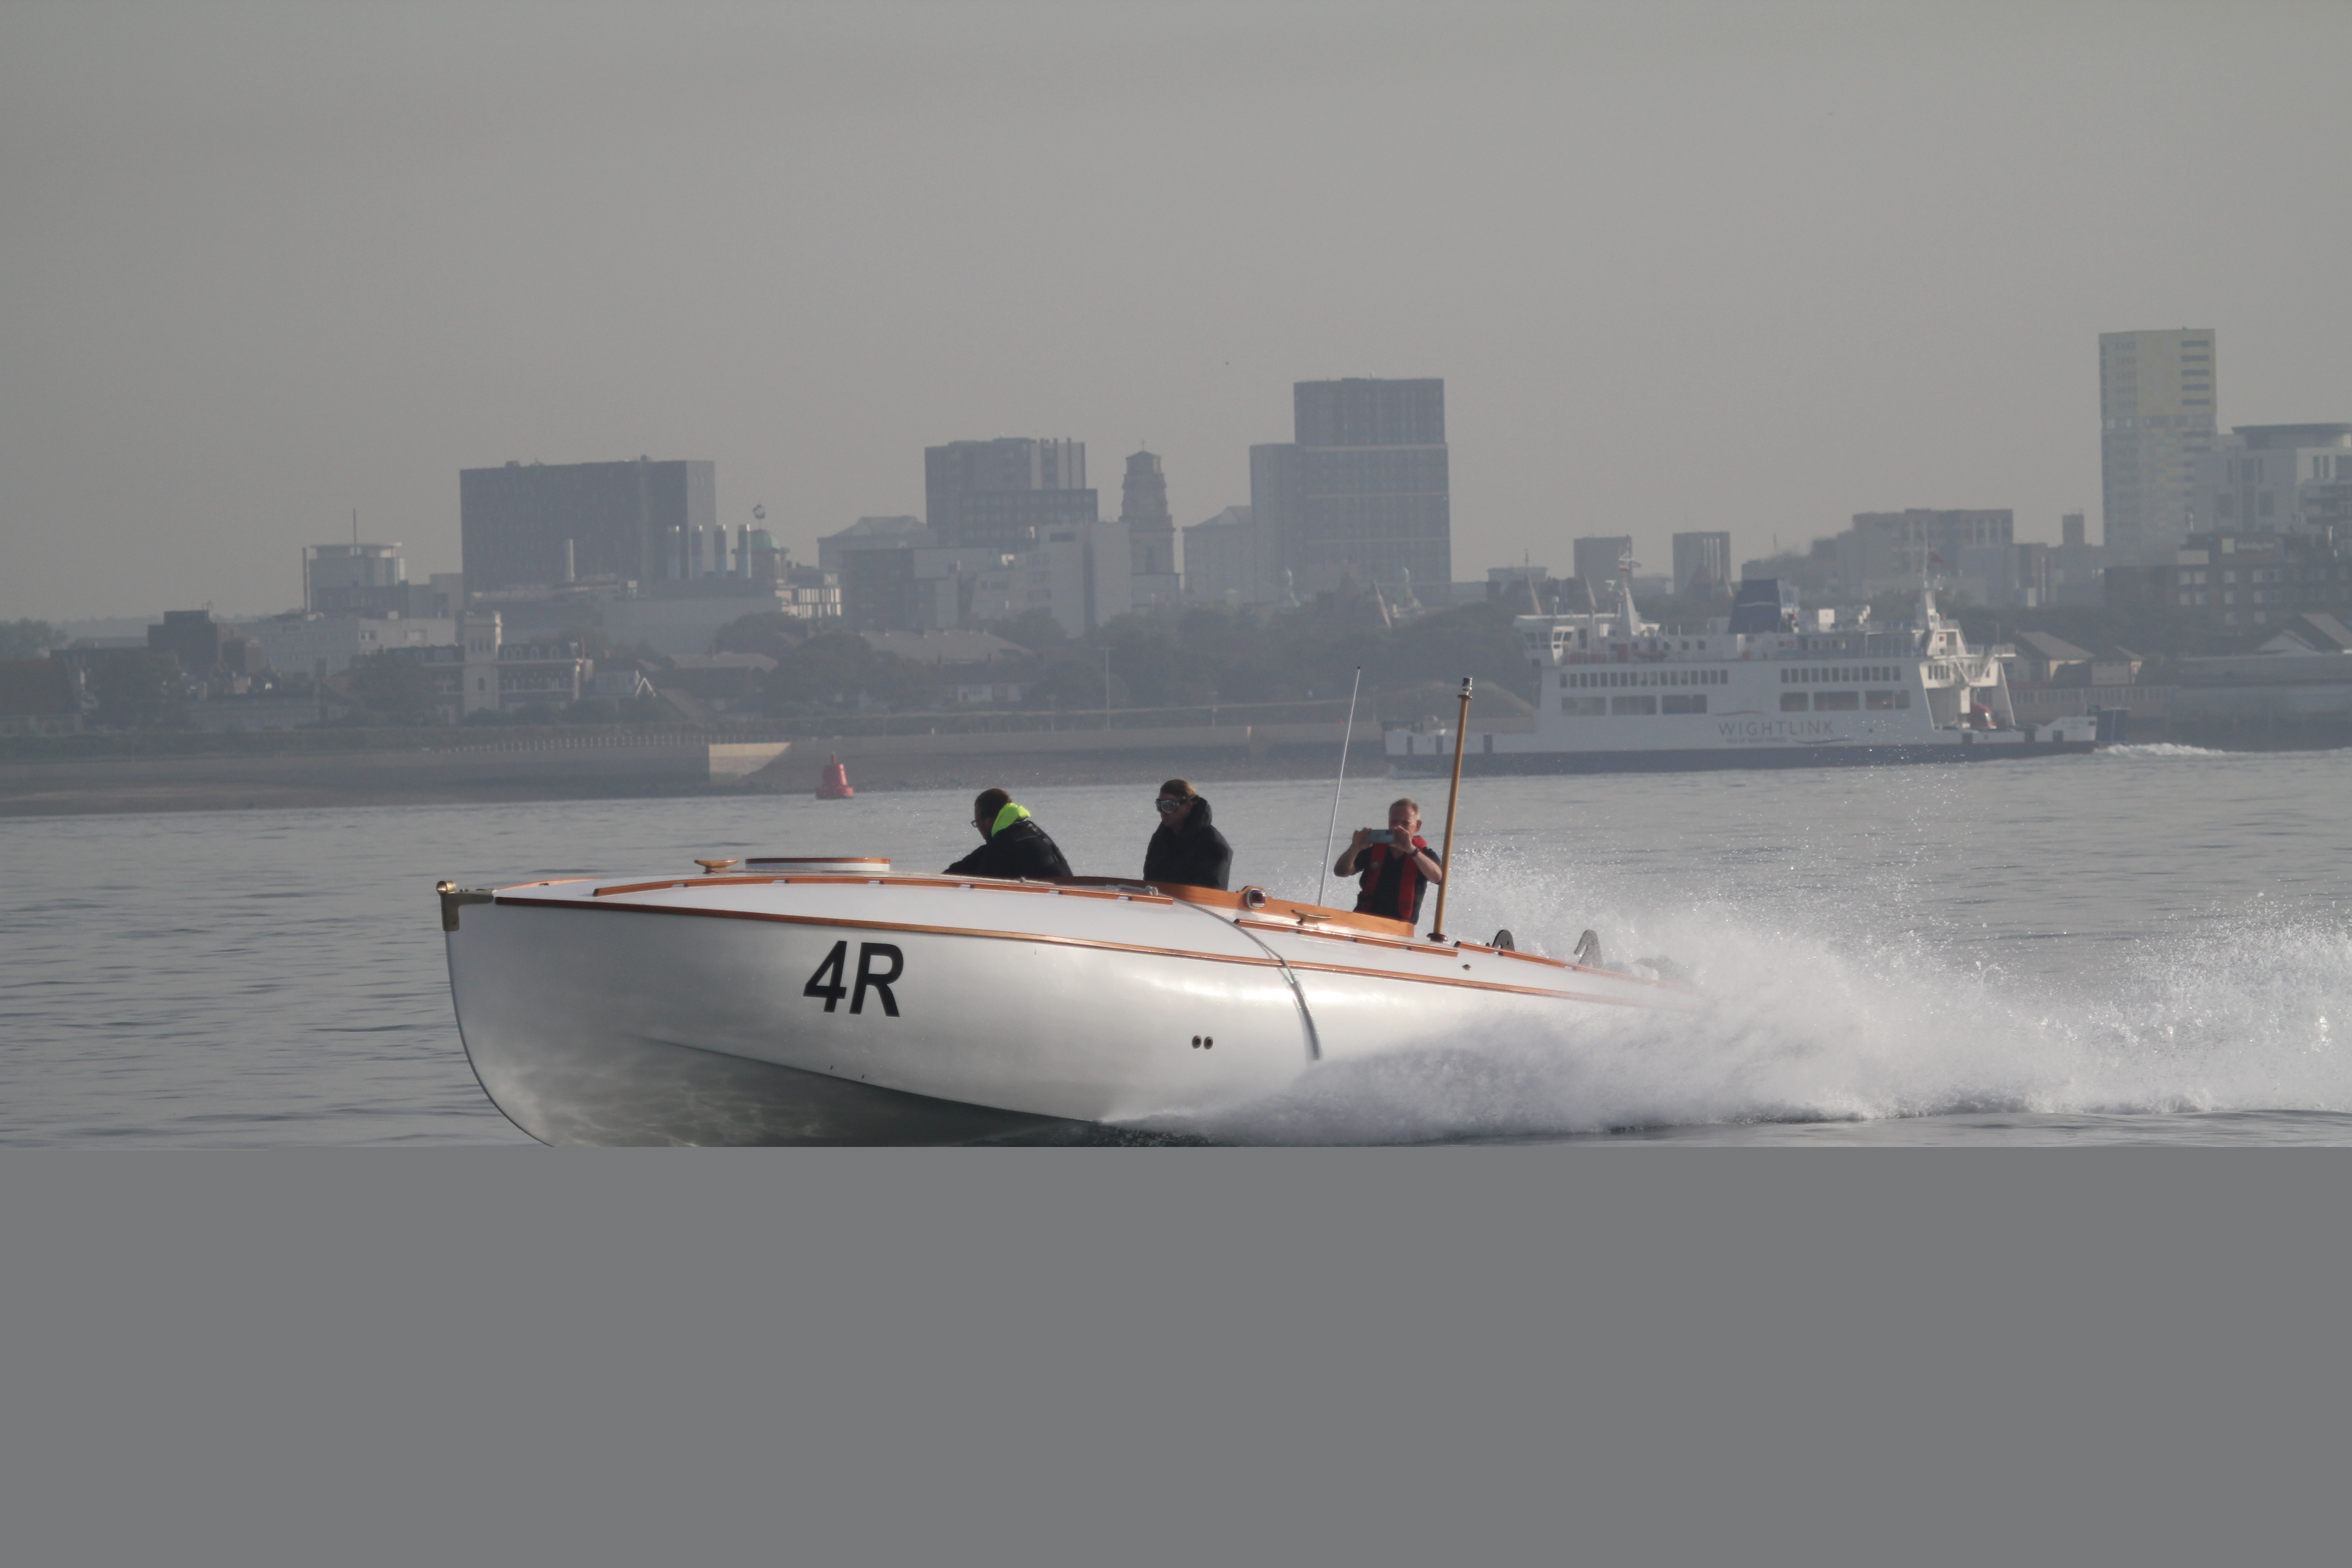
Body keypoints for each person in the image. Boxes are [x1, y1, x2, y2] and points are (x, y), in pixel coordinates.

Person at [1332, 797, 1443, 926]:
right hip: (1364, 921)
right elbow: (1341, 872)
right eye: (1394, 822)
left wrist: (1411, 850)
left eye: (1406, 823)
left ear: (1417, 826)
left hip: (1400, 927)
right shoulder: (1372, 849)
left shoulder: (1425, 855)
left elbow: (1437, 878)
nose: (1398, 827)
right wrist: (1355, 848)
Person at [944, 788, 1073, 881]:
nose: (977, 827)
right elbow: (977, 859)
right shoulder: (1028, 830)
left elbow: (982, 883)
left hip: (1050, 902)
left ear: (988, 822)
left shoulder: (1005, 845)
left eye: (977, 822)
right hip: (1068, 894)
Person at [1142, 778, 1232, 890]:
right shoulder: (1160, 840)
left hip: (1196, 906)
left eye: (1169, 806)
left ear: (1188, 806)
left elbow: (1208, 890)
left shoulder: (1212, 843)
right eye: (1160, 806)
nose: (1163, 812)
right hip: (1162, 904)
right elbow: (1150, 883)